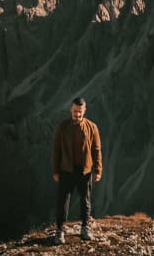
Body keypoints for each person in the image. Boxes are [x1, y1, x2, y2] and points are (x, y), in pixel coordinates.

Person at [52, 97, 103, 244]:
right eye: (75, 112)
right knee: (62, 201)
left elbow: (97, 150)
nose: (77, 115)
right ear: (70, 110)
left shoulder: (92, 127)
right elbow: (56, 151)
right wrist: (55, 171)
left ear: (84, 111)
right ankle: (60, 230)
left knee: (85, 201)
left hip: (85, 171)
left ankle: (85, 227)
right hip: (66, 170)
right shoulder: (62, 127)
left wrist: (98, 170)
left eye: (80, 112)